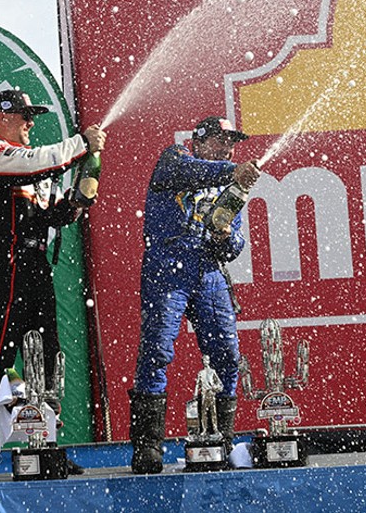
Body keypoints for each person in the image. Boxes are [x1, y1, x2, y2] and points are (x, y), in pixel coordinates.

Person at [0, 89, 106, 482]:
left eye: (33, 116)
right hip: (3, 267)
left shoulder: (31, 167)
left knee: (47, 361)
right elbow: (35, 164)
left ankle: (44, 447)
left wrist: (76, 202)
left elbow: (50, 216)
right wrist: (82, 144)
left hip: (33, 267)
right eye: (24, 116)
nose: (31, 123)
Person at [128, 116, 260, 474]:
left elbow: (234, 243)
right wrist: (232, 170)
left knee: (227, 357)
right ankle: (148, 446)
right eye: (221, 141)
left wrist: (222, 237)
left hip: (209, 274)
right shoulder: (174, 160)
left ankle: (221, 442)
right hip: (168, 267)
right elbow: (192, 172)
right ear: (199, 142)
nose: (228, 148)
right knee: (157, 350)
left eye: (232, 142)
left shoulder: (230, 186)